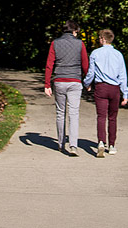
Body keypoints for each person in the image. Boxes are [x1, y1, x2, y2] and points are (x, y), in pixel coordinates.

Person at [44, 20, 89, 155]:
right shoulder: (80, 44)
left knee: (60, 112)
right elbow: (85, 64)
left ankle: (61, 143)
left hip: (59, 81)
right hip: (75, 81)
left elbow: (49, 64)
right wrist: (88, 81)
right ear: (74, 31)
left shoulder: (55, 43)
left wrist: (47, 84)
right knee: (74, 113)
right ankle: (73, 146)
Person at [83, 28, 128, 157]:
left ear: (102, 39)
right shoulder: (118, 55)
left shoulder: (95, 53)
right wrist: (125, 93)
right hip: (114, 88)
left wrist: (87, 84)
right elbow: (122, 75)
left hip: (101, 87)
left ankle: (101, 142)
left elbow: (91, 72)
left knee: (101, 116)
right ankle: (112, 145)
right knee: (112, 117)